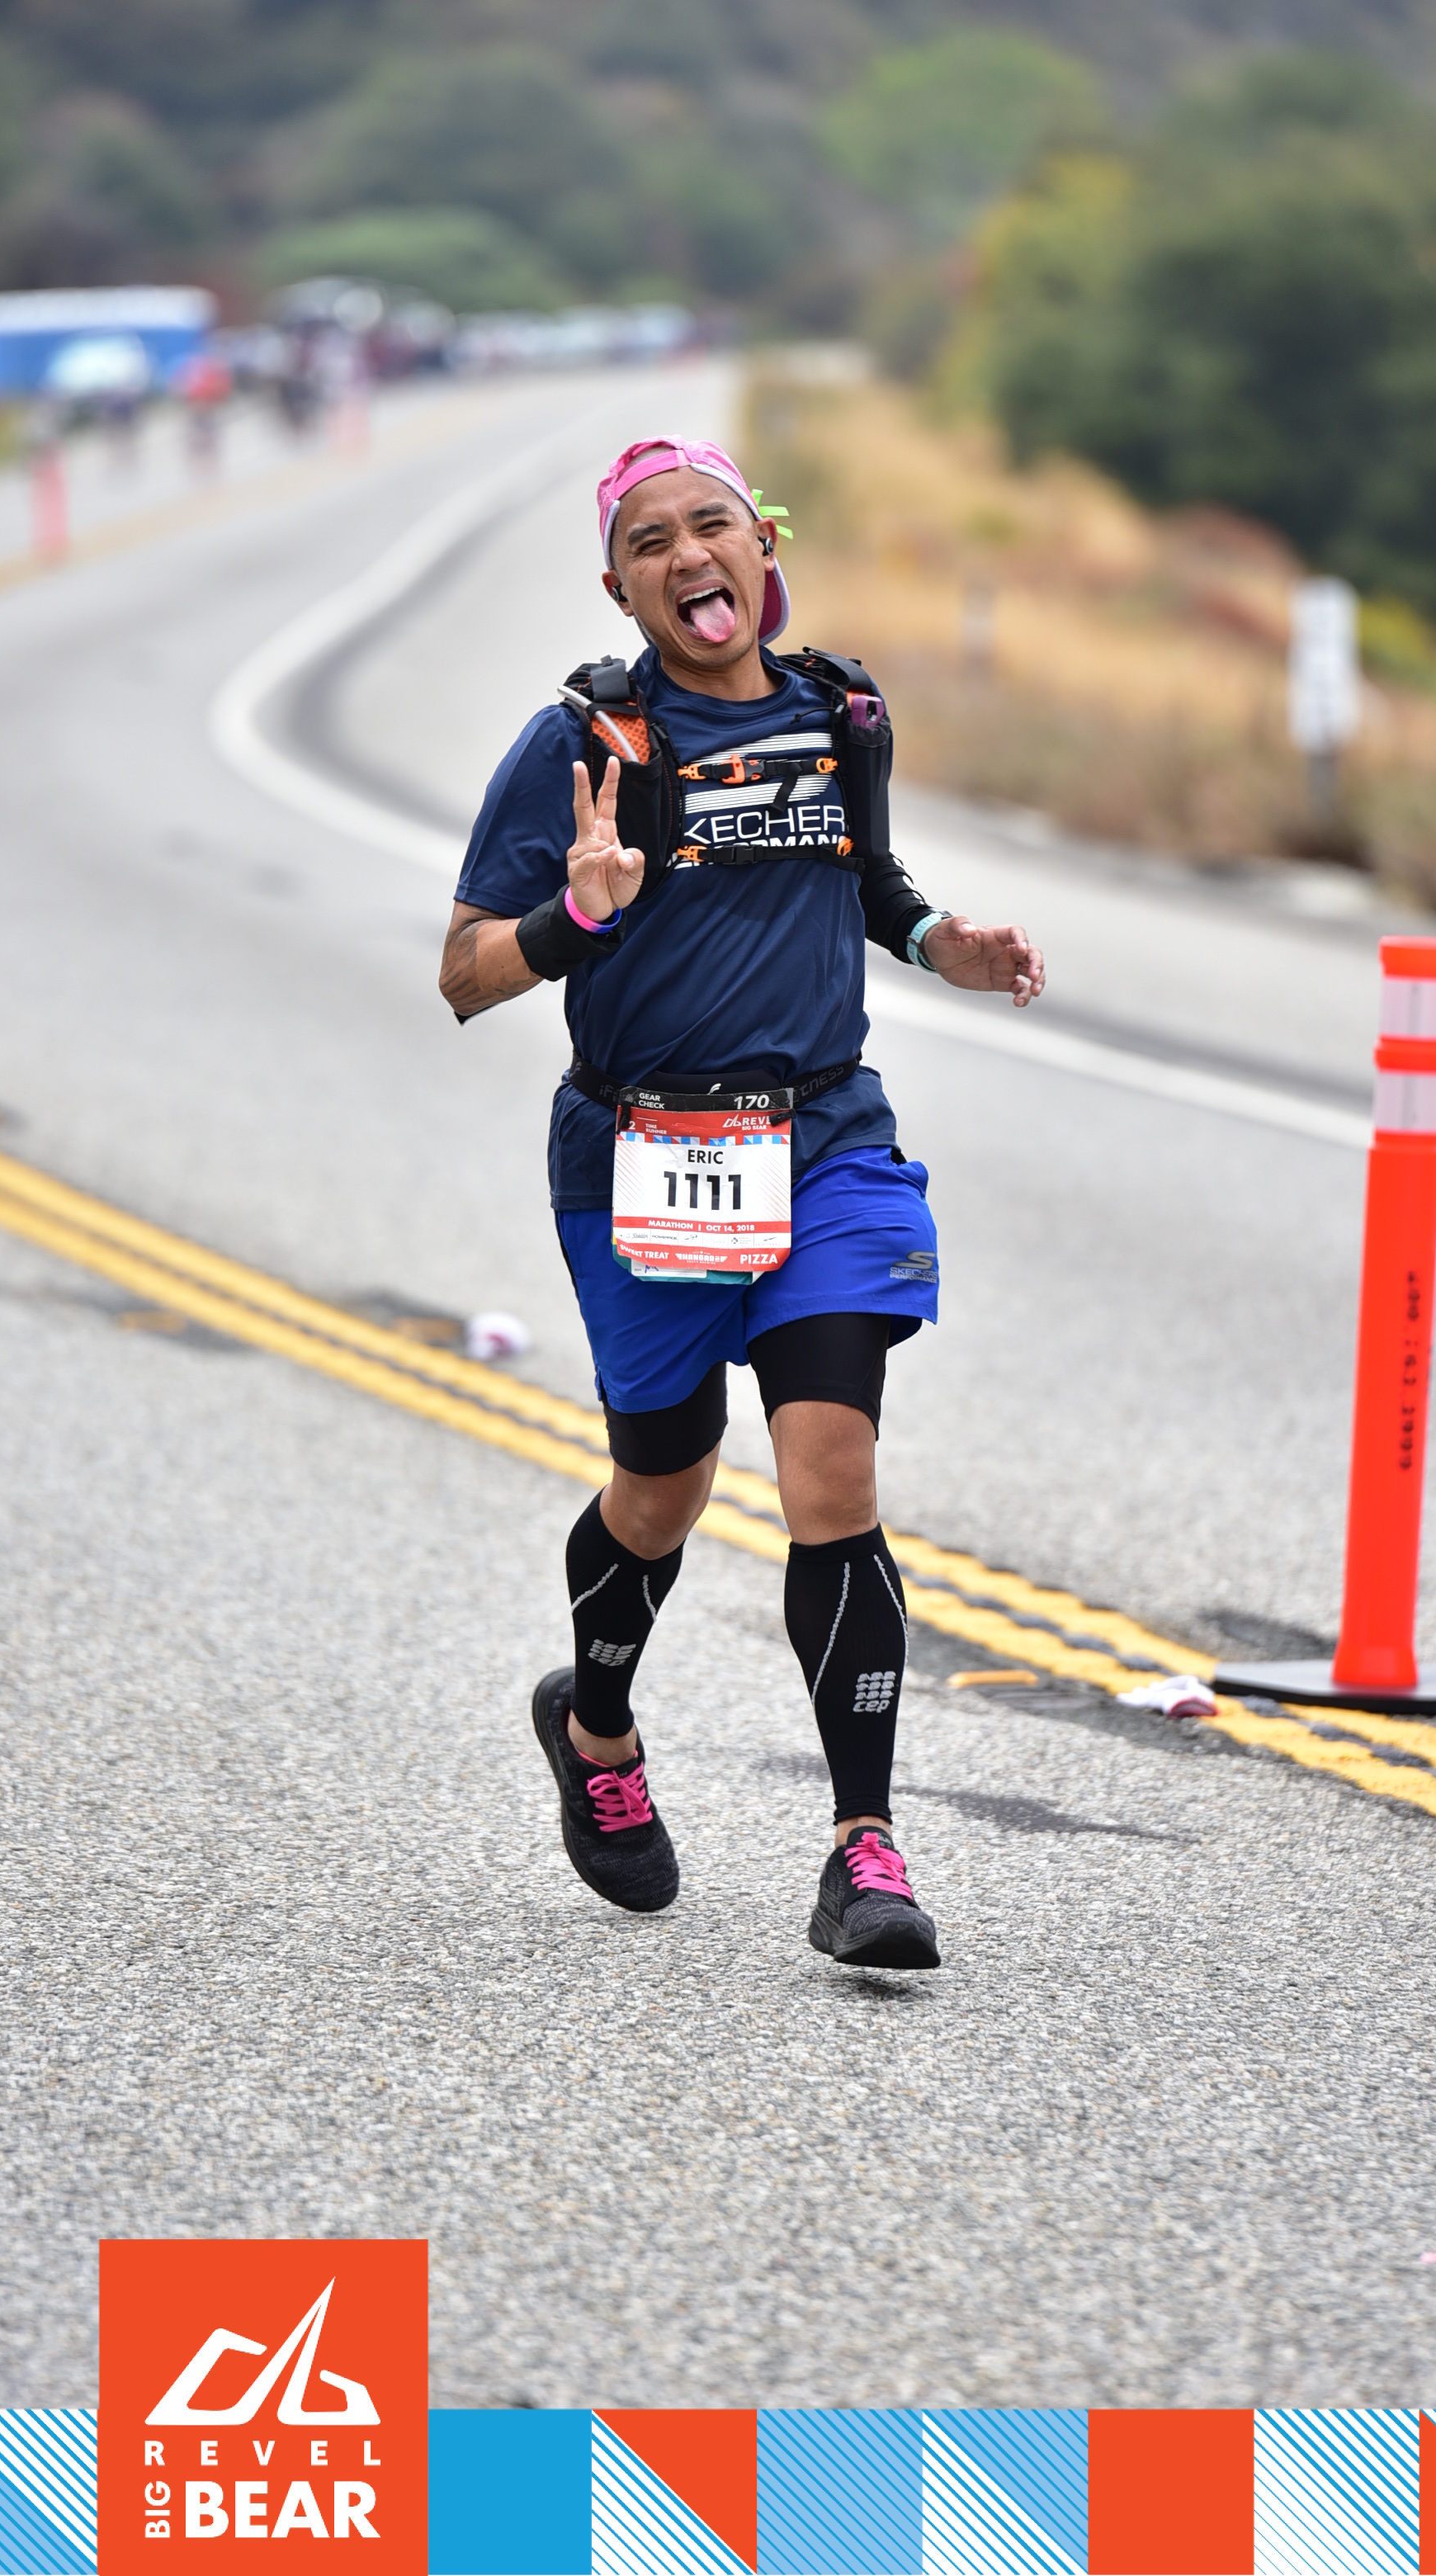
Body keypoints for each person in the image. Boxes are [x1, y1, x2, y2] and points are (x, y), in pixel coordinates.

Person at [439, 434, 1043, 1970]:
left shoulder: (842, 711)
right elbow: (464, 972)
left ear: (763, 548)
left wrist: (944, 944)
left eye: (711, 524)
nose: (687, 556)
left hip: (826, 1136)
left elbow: (870, 882)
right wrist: (576, 918)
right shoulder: (581, 743)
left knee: (830, 1465)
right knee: (665, 1487)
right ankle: (595, 1725)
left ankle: (864, 1848)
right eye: (650, 542)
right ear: (621, 590)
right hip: (641, 1152)